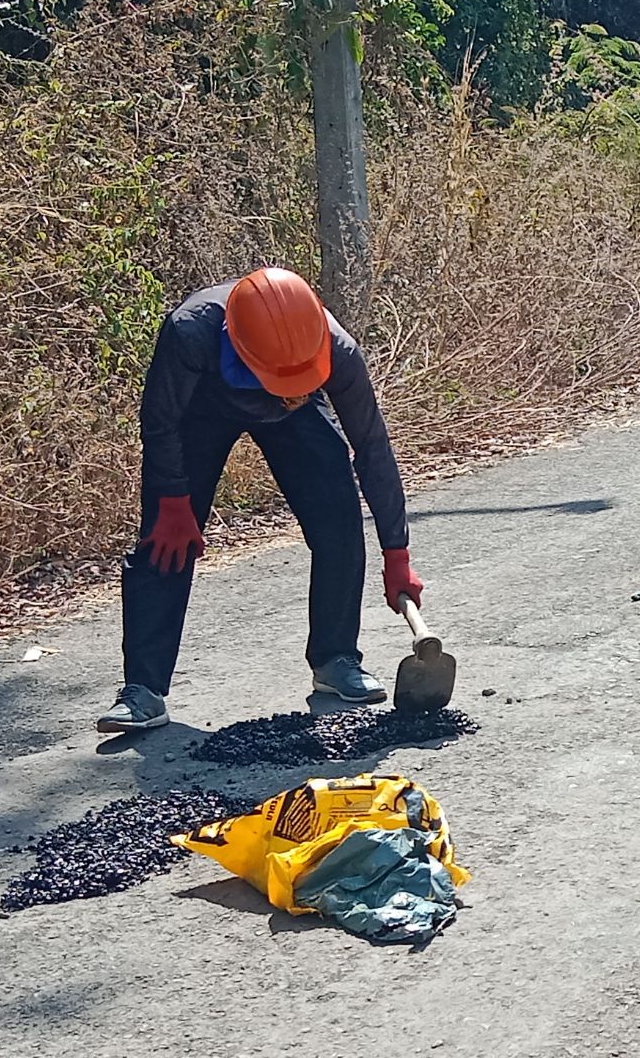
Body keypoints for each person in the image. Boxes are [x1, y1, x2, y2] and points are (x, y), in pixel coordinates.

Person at [96, 267, 423, 733]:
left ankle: (335, 660)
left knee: (338, 519)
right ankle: (144, 690)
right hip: (201, 408)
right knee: (165, 543)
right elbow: (160, 420)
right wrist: (172, 499)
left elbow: (372, 448)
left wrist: (397, 552)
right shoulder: (190, 331)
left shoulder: (336, 348)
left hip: (297, 416)